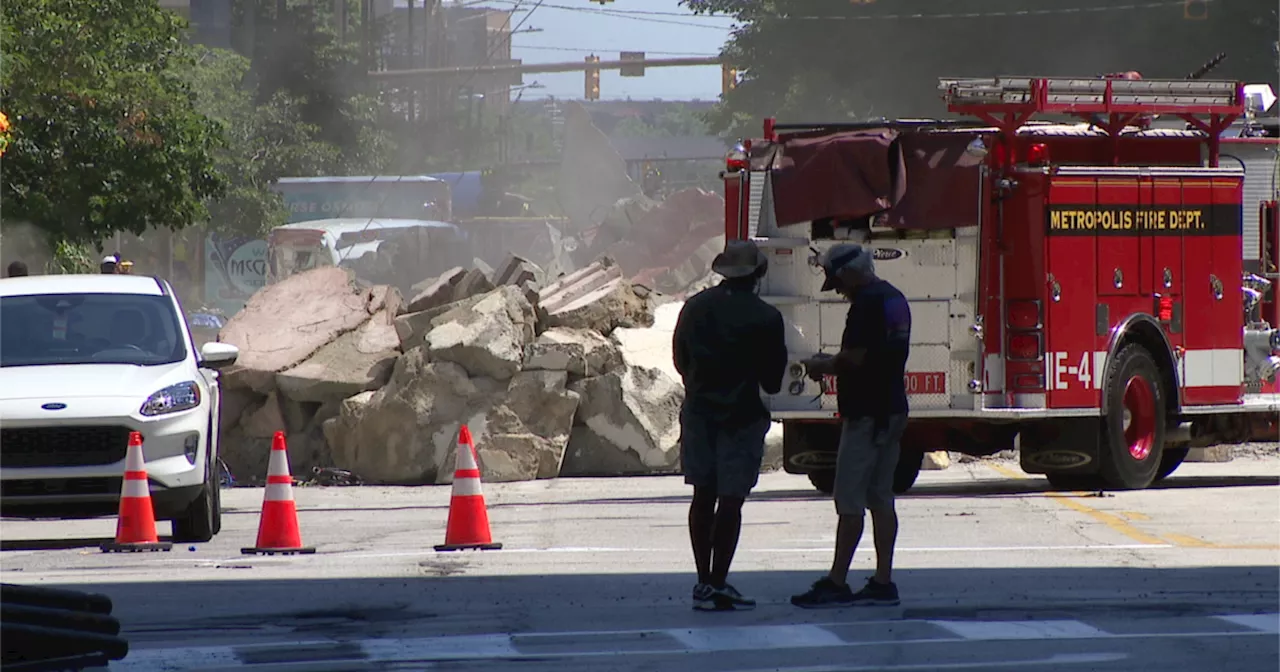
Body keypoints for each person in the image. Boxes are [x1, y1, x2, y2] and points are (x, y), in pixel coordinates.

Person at [791, 242, 912, 609]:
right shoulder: (894, 298)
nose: (839, 291)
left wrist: (821, 365)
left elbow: (856, 358)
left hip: (866, 414)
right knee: (881, 497)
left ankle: (837, 580)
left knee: (849, 499)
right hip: (892, 408)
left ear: (848, 273)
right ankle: (883, 580)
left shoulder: (865, 305)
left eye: (838, 282)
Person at [672, 239, 788, 612]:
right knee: (731, 501)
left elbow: (680, 359)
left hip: (700, 412)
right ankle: (720, 580)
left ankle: (703, 580)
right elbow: (772, 381)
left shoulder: (694, 308)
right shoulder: (766, 318)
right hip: (742, 417)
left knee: (702, 495)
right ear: (759, 273)